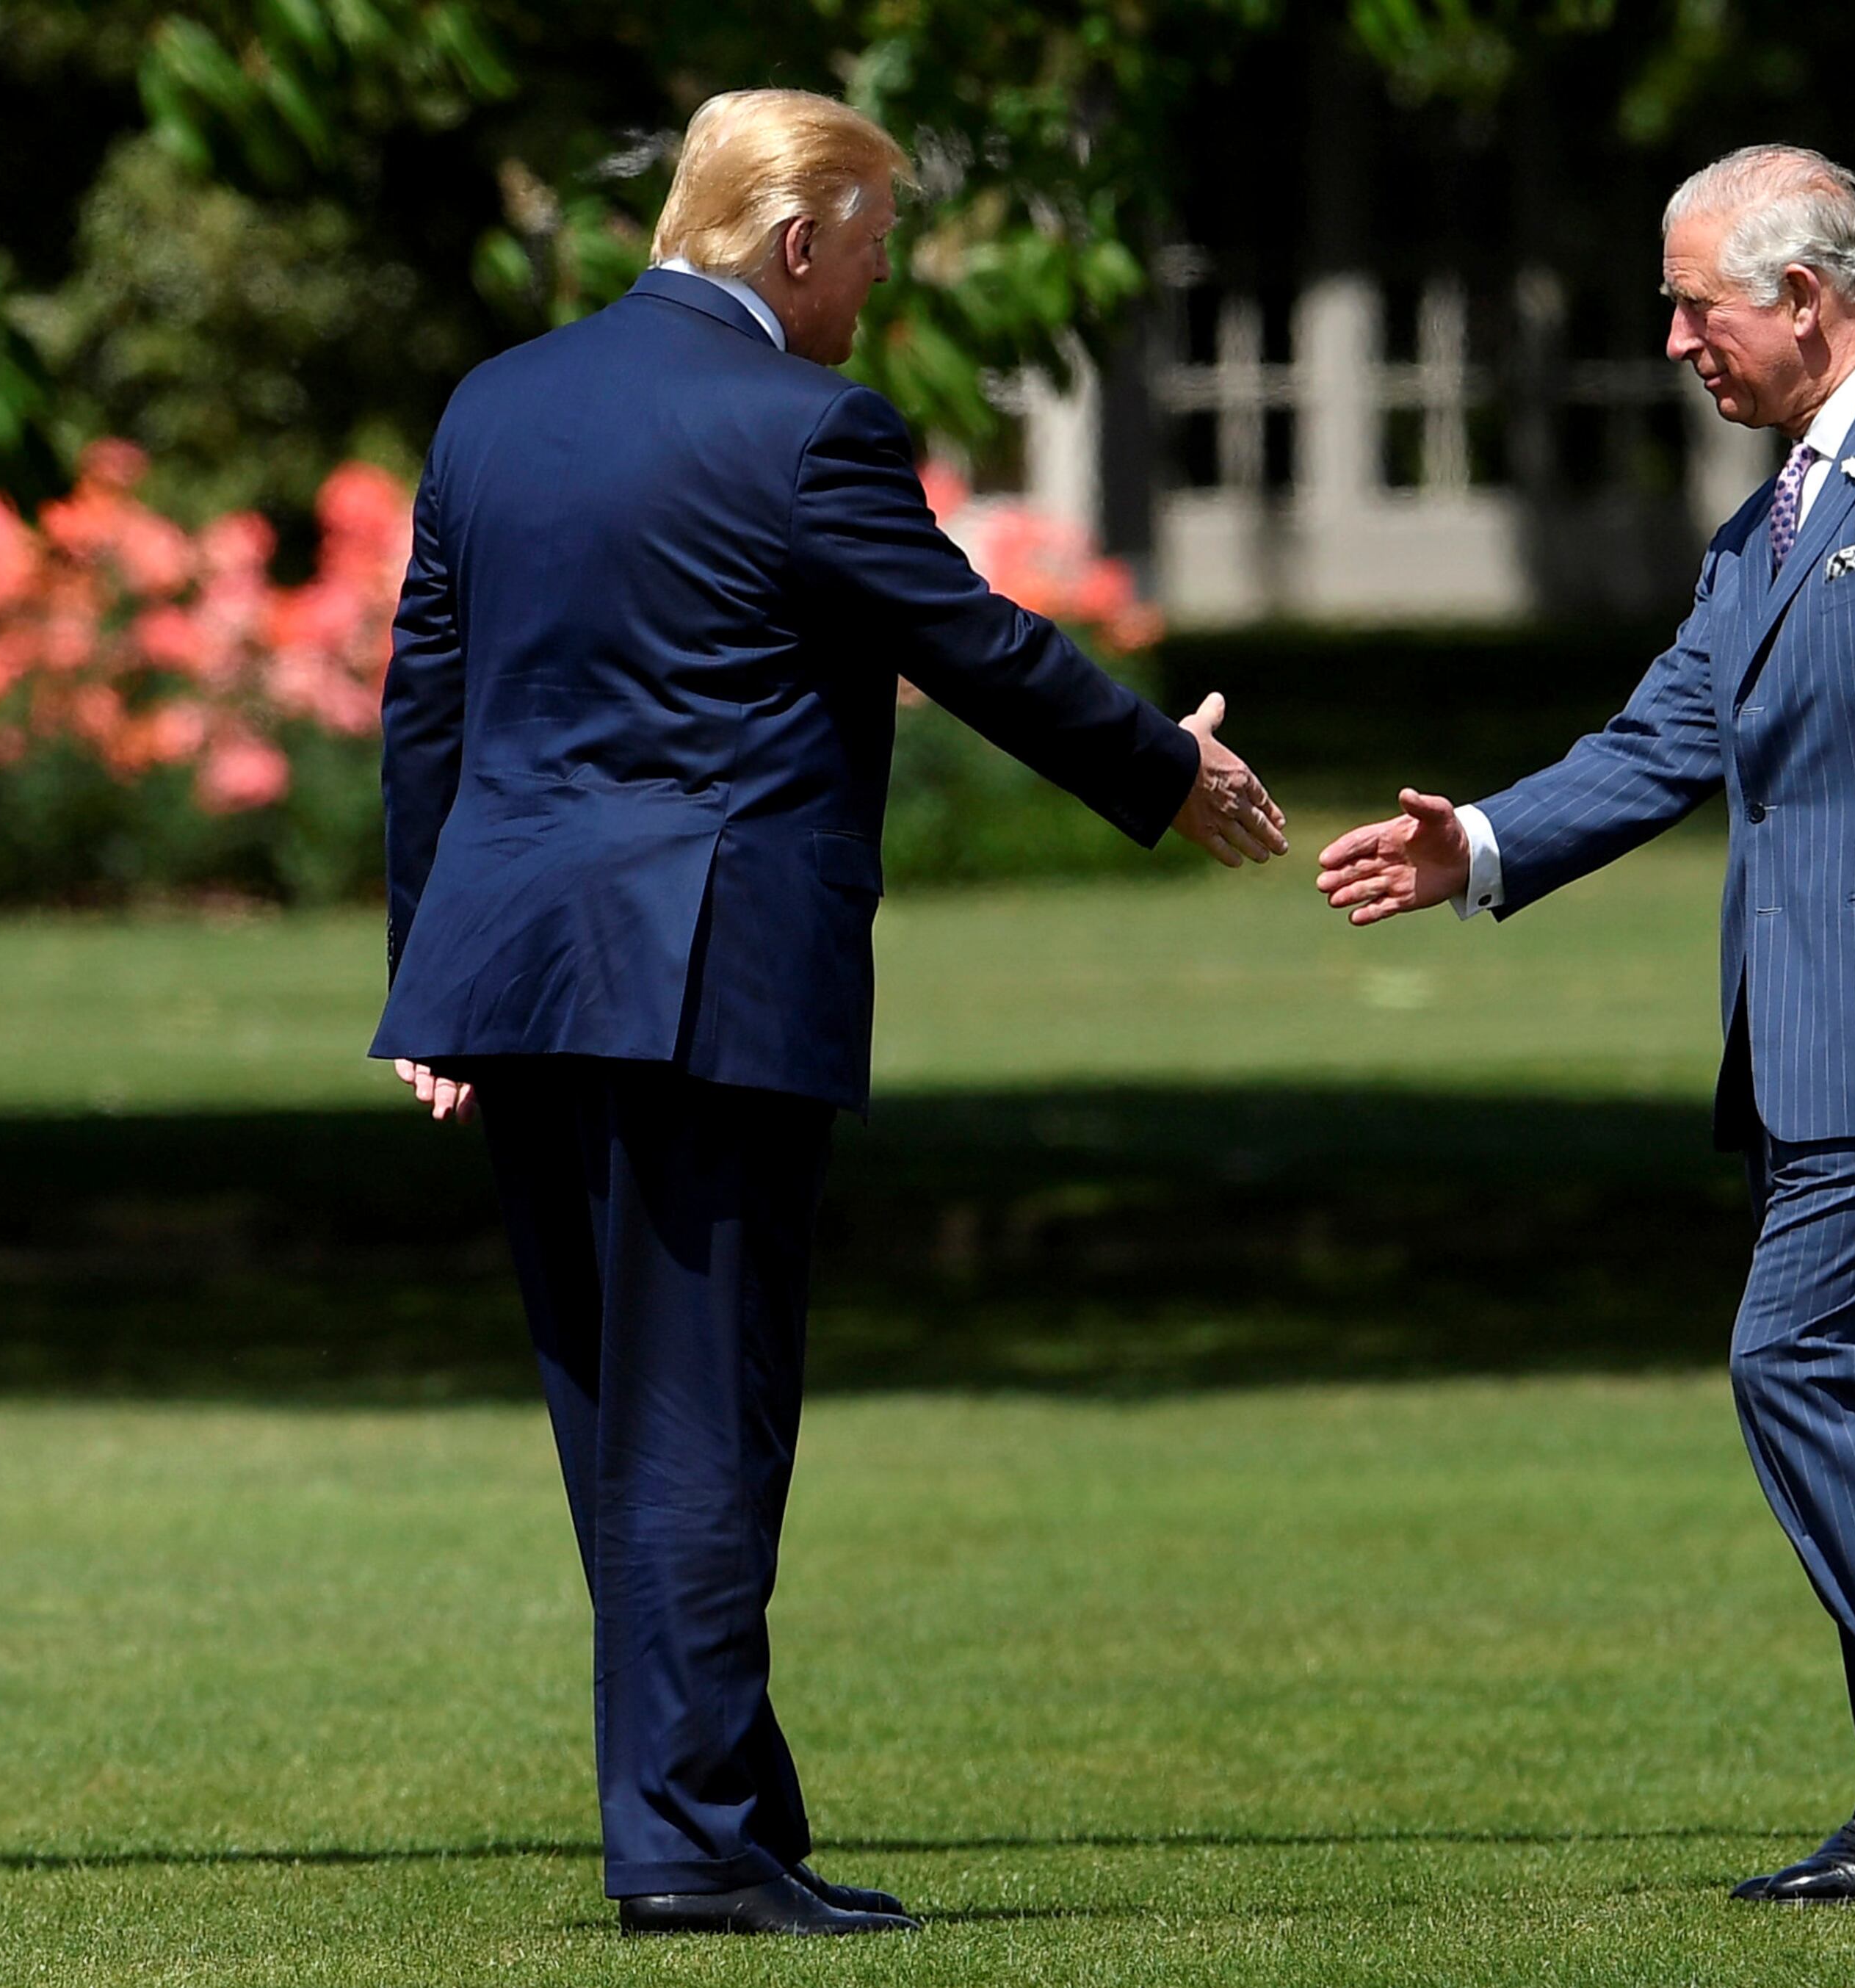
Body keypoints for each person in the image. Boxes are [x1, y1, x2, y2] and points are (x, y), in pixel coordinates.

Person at [372, 87, 1285, 1938]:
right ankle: (695, 1852)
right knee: (704, 1422)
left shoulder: (497, 403)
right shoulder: (810, 430)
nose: (873, 292)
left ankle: (722, 1815)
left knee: (618, 1422)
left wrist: (429, 981)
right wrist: (1162, 774)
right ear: (795, 242)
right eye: (870, 254)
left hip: (517, 980)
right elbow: (970, 638)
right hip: (704, 984)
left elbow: (426, 703)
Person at [1315, 144, 1855, 1903]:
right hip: (1817, 1054)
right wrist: (1472, 842)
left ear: (1802, 297)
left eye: (1698, 303)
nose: (1677, 336)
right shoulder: (1764, 524)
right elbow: (1655, 746)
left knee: (1806, 1362)